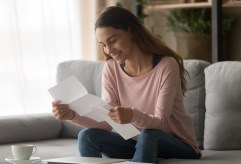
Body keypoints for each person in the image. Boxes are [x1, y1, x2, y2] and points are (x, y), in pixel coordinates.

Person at [52, 6, 201, 163]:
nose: (108, 50)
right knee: (87, 136)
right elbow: (107, 121)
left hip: (179, 145)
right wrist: (73, 115)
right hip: (138, 142)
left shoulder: (166, 65)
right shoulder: (111, 68)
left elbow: (161, 124)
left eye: (113, 40)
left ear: (130, 31)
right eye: (103, 44)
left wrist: (132, 115)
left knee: (149, 135)